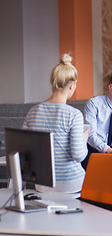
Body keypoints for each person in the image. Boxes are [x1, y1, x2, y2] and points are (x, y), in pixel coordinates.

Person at [23, 54, 88, 193]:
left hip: (42, 184)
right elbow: (78, 155)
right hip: (71, 185)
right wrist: (84, 138)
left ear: (52, 82)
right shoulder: (74, 114)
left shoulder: (33, 112)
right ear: (72, 85)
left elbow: (24, 148)